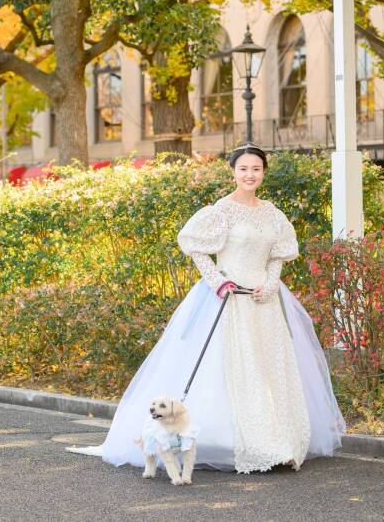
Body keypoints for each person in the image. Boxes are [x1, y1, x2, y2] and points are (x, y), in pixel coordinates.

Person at [70, 143, 345, 473]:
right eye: (243, 169)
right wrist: (217, 281)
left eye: (256, 169)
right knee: (236, 370)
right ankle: (247, 444)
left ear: (263, 173)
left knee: (269, 369)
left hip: (264, 301)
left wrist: (271, 285)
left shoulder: (274, 214)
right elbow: (197, 249)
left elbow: (276, 256)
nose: (249, 174)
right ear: (233, 172)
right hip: (227, 299)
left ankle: (280, 443)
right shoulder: (221, 211)